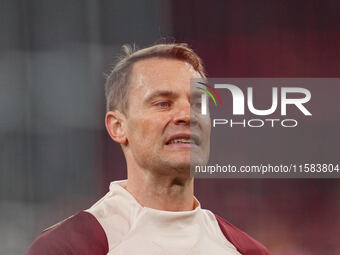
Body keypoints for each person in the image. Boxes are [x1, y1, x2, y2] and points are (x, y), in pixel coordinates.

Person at [26, 43, 270, 255]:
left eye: (198, 103)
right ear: (118, 127)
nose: (188, 115)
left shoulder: (247, 251)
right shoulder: (69, 248)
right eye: (163, 103)